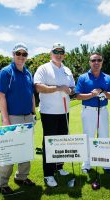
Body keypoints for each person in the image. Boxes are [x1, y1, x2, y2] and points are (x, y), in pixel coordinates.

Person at [0, 42, 36, 195]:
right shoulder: (6, 72)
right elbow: (1, 95)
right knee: (9, 151)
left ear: (27, 56)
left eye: (24, 54)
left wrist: (33, 113)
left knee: (26, 149)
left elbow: (31, 94)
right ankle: (2, 183)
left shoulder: (28, 73)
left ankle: (21, 177)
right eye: (18, 54)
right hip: (12, 117)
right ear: (13, 55)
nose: (21, 57)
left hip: (27, 117)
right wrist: (5, 120)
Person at [34, 42, 75, 187]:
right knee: (49, 142)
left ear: (63, 54)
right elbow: (38, 86)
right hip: (49, 112)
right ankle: (48, 173)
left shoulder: (67, 70)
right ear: (51, 53)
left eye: (61, 52)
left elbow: (72, 87)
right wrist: (58, 88)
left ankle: (59, 167)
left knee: (62, 140)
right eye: (55, 52)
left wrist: (70, 90)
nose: (58, 54)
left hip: (64, 111)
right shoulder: (43, 68)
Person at [75, 52, 110, 173]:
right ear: (89, 62)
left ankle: (104, 162)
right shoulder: (83, 77)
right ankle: (87, 163)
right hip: (88, 111)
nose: (96, 62)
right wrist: (91, 95)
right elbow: (77, 96)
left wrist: (103, 92)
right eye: (93, 60)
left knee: (104, 136)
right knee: (88, 136)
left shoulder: (108, 78)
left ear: (102, 62)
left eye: (99, 60)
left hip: (103, 110)